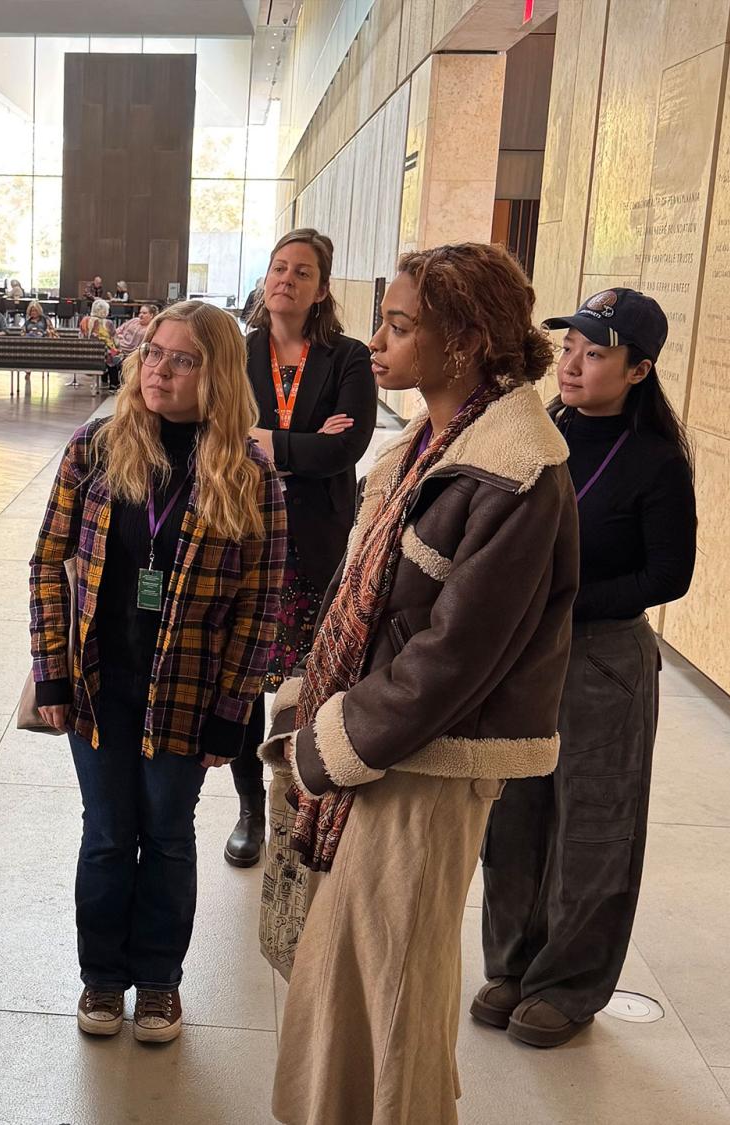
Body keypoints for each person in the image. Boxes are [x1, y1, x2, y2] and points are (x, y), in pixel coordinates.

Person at [265, 242, 578, 1125]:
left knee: (392, 984)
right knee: (350, 975)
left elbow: (454, 657)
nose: (377, 341)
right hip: (382, 752)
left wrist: (330, 743)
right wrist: (313, 701)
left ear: (470, 340)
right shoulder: (431, 442)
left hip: (426, 766)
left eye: (401, 326)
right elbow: (362, 601)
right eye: (382, 321)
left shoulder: (519, 467)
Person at [29, 300, 284, 1045]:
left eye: (182, 359)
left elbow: (260, 603)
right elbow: (49, 560)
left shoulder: (250, 474)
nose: (158, 371)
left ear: (220, 375)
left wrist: (233, 711)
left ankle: (161, 982)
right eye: (153, 354)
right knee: (107, 833)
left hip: (187, 692)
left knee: (169, 835)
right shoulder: (97, 448)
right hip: (99, 683)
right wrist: (51, 672)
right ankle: (103, 977)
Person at [476, 288, 696, 1048]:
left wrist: (568, 602)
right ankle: (512, 963)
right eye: (570, 347)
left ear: (638, 371)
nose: (572, 364)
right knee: (514, 813)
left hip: (602, 658)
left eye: (594, 353)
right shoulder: (541, 430)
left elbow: (669, 574)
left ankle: (568, 984)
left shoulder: (655, 460)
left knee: (593, 825)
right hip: (523, 652)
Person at [223, 229, 378, 867]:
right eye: (279, 268)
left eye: (303, 273)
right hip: (246, 539)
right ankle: (249, 809)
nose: (287, 279)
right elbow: (220, 434)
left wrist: (266, 440)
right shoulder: (237, 351)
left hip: (315, 547)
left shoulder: (347, 359)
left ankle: (299, 801)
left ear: (321, 290)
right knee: (239, 684)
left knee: (305, 685)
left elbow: (347, 447)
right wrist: (301, 443)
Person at [79, 297, 119, 390]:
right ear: (104, 311)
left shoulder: (84, 321)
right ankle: (114, 384)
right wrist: (119, 349)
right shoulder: (108, 323)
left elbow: (81, 337)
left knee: (109, 354)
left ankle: (104, 380)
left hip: (86, 353)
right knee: (115, 357)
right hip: (103, 355)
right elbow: (115, 340)